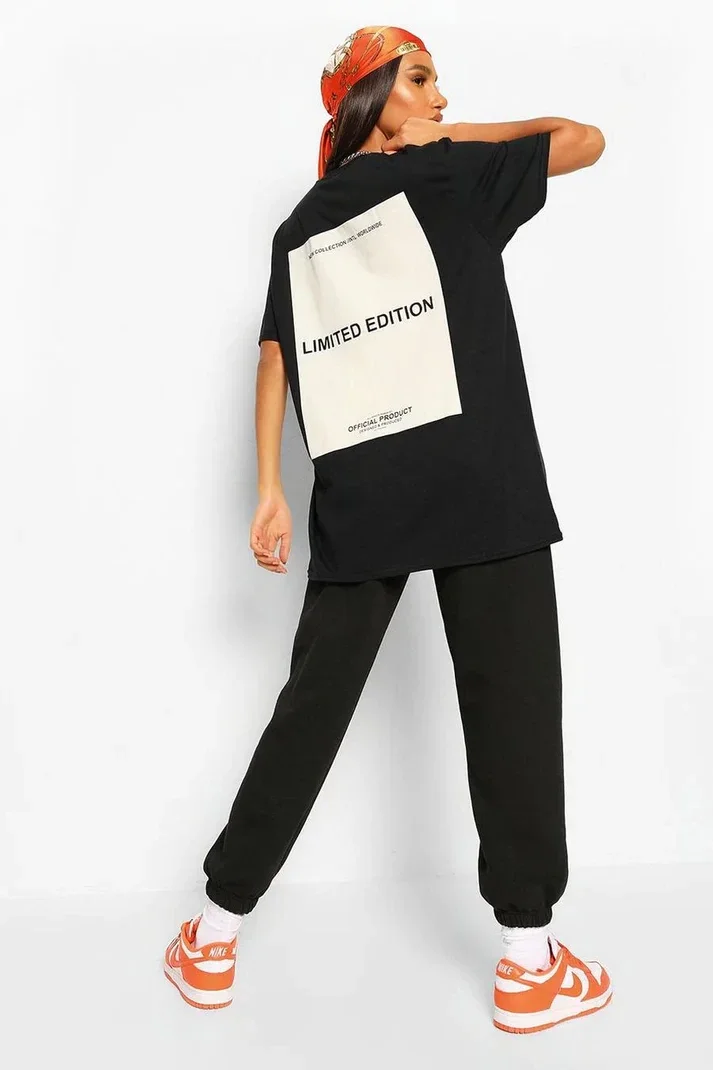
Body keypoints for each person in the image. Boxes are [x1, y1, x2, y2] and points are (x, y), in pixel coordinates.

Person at [164, 25, 611, 1033]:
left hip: (363, 494)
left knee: (309, 711)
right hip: (483, 480)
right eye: (421, 78)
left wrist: (270, 489)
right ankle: (528, 962)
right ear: (373, 97)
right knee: (513, 710)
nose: (443, 98)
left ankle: (214, 933)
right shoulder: (452, 177)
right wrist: (441, 143)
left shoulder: (300, 223)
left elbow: (274, 354)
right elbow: (583, 138)